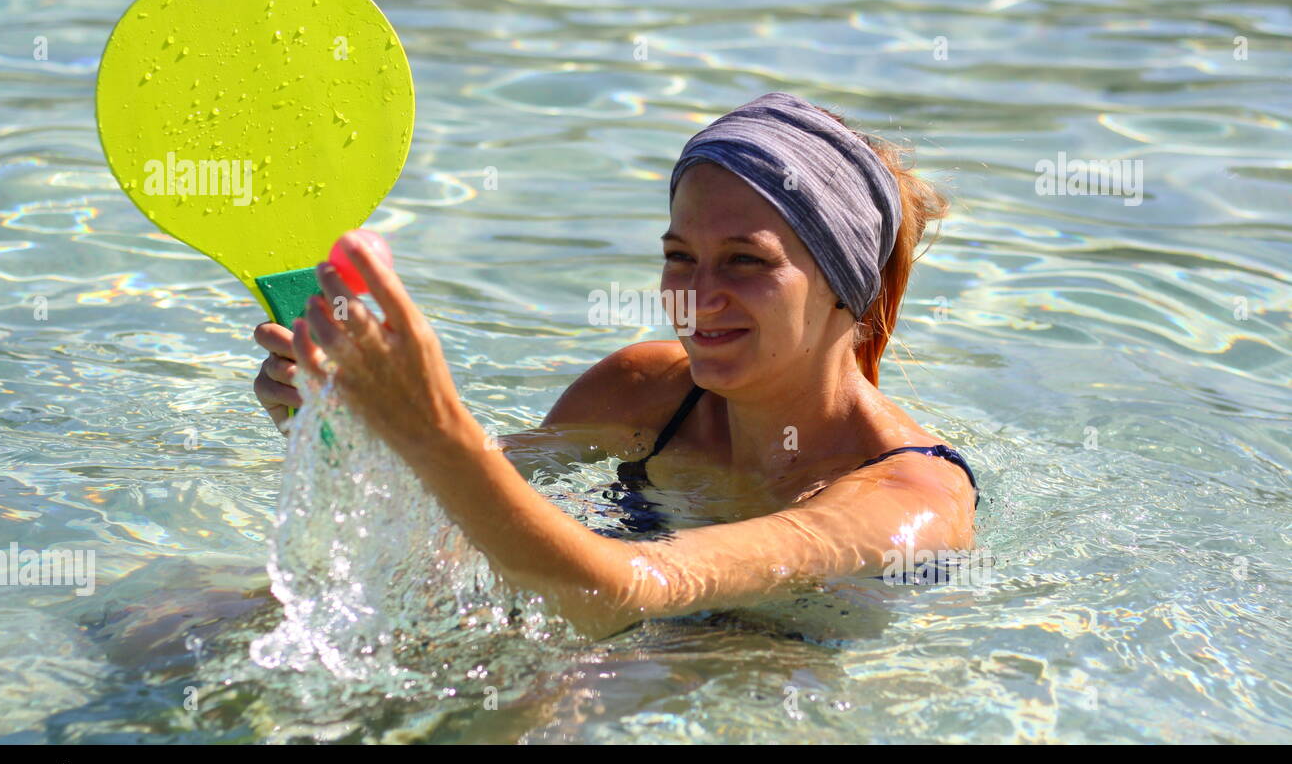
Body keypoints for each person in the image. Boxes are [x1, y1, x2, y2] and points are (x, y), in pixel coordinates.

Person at [252, 92, 980, 639]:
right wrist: (346, 430)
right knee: (226, 613)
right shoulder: (641, 393)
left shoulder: (910, 498)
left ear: (845, 289)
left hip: (760, 681)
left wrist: (439, 429)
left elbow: (619, 591)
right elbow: (448, 531)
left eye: (745, 261)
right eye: (680, 257)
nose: (698, 296)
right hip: (608, 637)